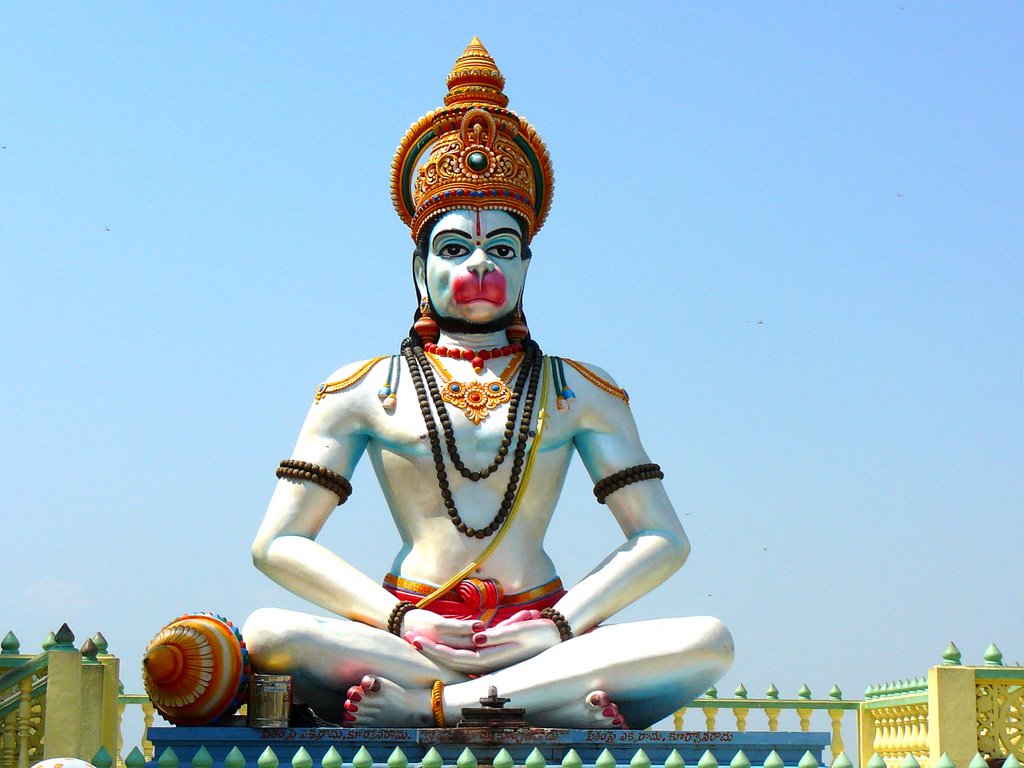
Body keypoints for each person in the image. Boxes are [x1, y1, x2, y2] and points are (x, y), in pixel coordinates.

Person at [242, 38, 732, 731]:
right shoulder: (363, 388)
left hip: (542, 633)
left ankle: (443, 706)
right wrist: (400, 618)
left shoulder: (578, 390)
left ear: (527, 266)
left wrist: (560, 624)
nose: (479, 264)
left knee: (709, 641)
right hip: (412, 636)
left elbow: (662, 538)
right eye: (454, 248)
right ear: (420, 267)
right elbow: (276, 543)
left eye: (501, 248)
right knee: (269, 633)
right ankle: (534, 698)